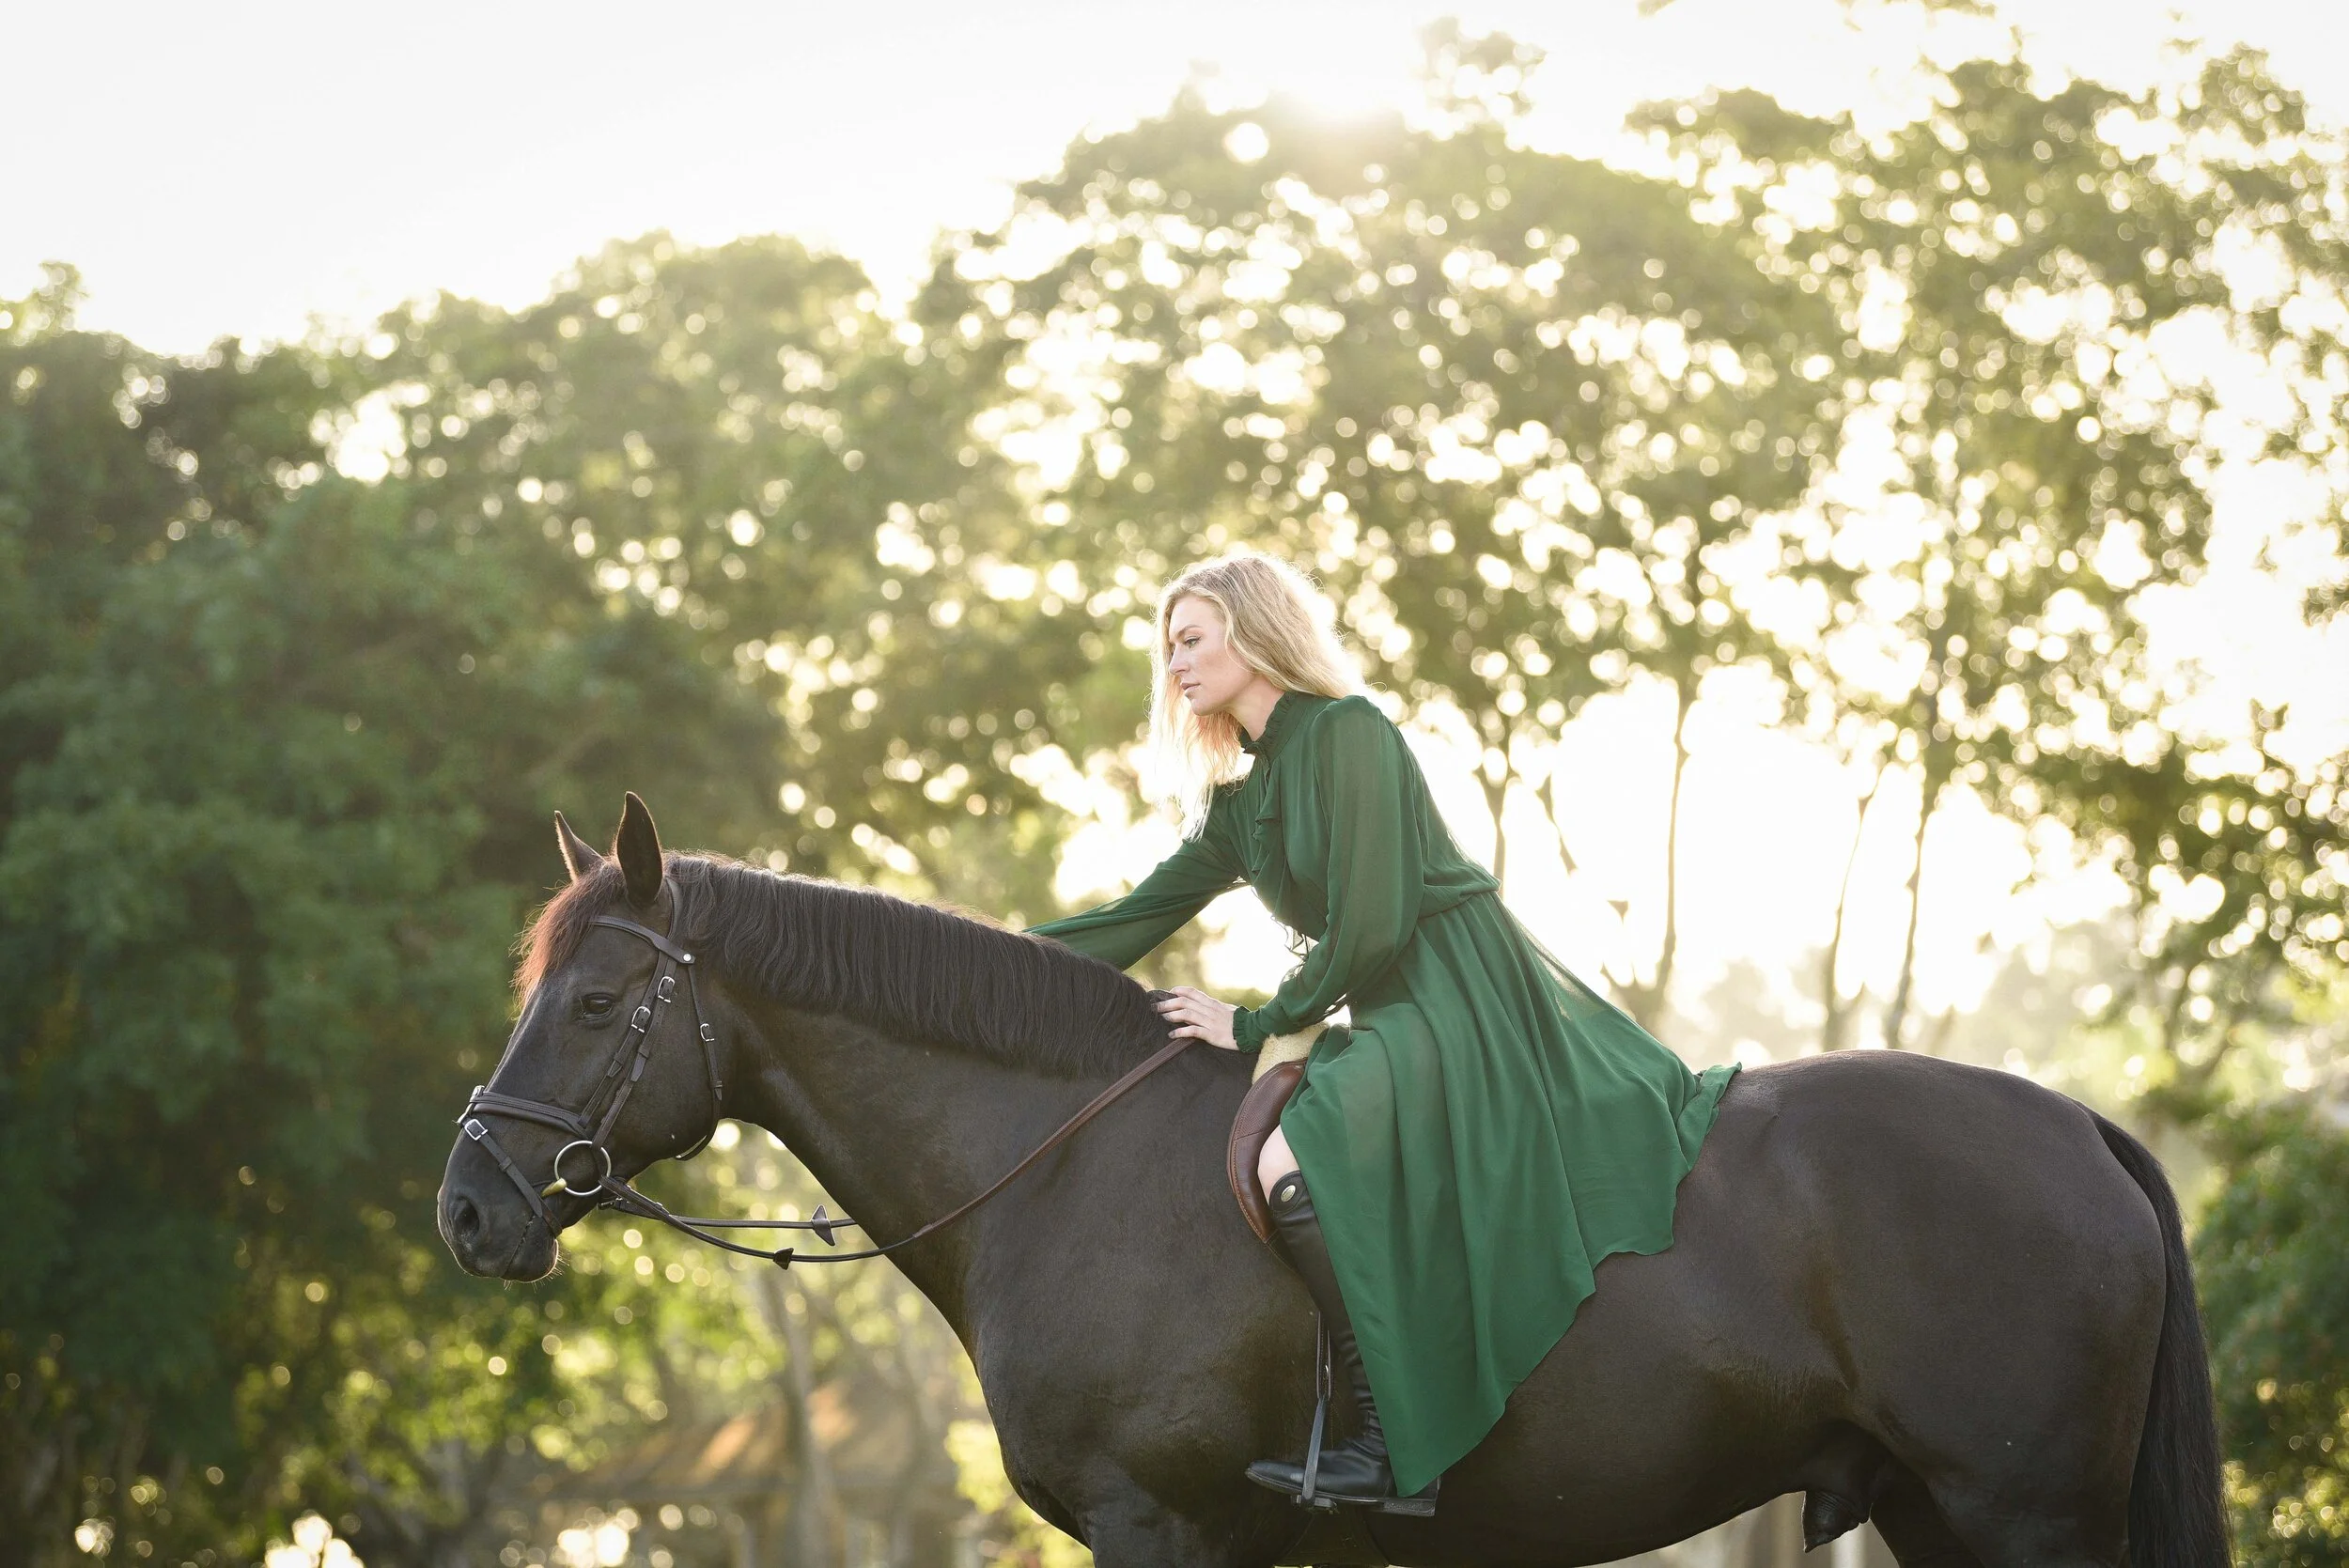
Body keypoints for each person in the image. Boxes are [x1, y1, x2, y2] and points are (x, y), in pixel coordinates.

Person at [1025, 551, 1741, 1507]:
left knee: (1287, 1161)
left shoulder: (1351, 733)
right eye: (1170, 649)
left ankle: (1394, 1444)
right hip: (1389, 1004)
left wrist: (1256, 1024)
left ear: (1250, 632)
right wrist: (968, 963)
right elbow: (1133, 915)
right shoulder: (1244, 801)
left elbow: (1371, 922)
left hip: (1461, 995)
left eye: (1191, 639)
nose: (1177, 666)